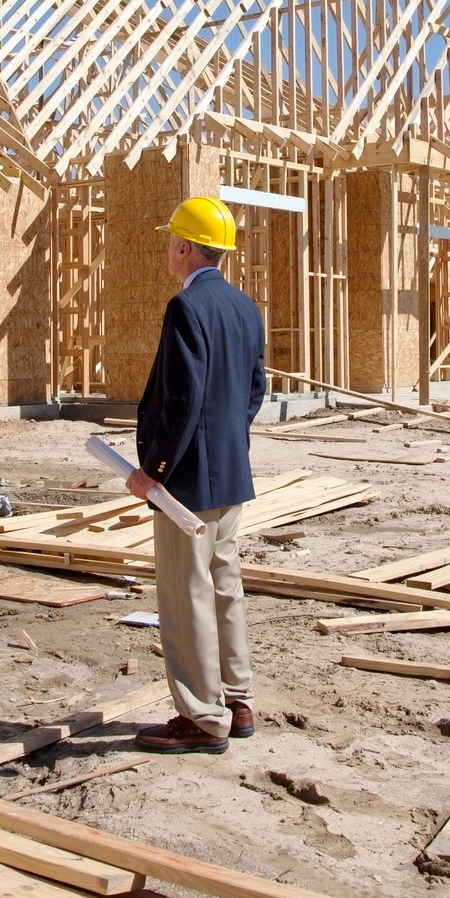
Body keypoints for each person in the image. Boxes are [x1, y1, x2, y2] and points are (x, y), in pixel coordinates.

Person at [127, 195, 266, 754]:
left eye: (170, 241)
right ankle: (238, 698)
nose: (168, 250)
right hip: (230, 476)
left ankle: (204, 718)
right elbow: (253, 391)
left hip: (188, 483)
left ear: (184, 246)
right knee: (224, 586)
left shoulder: (186, 308)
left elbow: (181, 401)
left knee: (187, 596)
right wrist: (226, 440)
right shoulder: (243, 306)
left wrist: (154, 471)